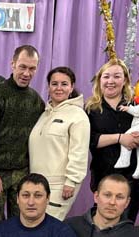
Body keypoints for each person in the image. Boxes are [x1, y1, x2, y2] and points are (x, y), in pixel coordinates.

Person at [0, 45, 44, 228]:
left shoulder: (36, 100)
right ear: (12, 64)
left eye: (32, 68)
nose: (26, 73)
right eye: (22, 67)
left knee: (21, 226)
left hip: (22, 175)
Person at [85, 58, 139, 222]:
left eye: (117, 76)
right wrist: (120, 138)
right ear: (100, 80)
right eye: (106, 76)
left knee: (127, 221)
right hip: (103, 173)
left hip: (133, 176)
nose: (111, 81)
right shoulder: (90, 108)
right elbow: (89, 140)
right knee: (103, 221)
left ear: (125, 81)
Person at [29, 67, 90, 220]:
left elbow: (79, 152)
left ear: (72, 87)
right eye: (54, 84)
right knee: (35, 226)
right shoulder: (44, 114)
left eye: (64, 84)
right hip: (36, 184)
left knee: (49, 226)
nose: (59, 88)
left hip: (60, 186)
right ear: (48, 87)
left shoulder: (78, 115)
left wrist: (71, 181)